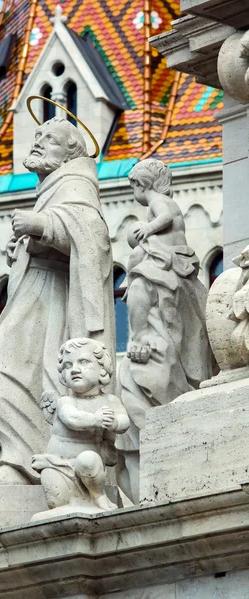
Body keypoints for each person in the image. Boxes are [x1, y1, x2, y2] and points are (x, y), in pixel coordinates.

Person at [0, 117, 115, 485]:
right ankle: (24, 459)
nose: (37, 143)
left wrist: (41, 226)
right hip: (35, 292)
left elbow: (93, 237)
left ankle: (30, 461)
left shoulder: (77, 183)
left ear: (70, 153)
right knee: (1, 373)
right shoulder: (52, 186)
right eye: (36, 136)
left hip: (53, 295)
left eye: (48, 139)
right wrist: (24, 245)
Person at [116, 159, 213, 503]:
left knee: (141, 286)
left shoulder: (160, 203)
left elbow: (167, 214)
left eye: (134, 187)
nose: (134, 193)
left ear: (144, 184)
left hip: (168, 262)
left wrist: (147, 231)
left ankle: (140, 336)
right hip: (172, 264)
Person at [32, 338, 130, 515]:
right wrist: (95, 419)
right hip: (57, 466)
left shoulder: (110, 401)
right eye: (68, 366)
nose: (74, 369)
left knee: (88, 460)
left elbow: (124, 421)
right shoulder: (65, 401)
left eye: (83, 362)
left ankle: (98, 496)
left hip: (87, 467)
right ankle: (77, 504)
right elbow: (72, 419)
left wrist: (115, 423)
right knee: (56, 499)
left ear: (102, 371)